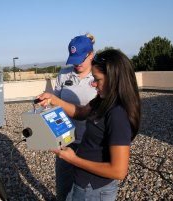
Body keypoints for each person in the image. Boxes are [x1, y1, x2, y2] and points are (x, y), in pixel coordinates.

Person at [37, 49, 141, 200]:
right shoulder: (102, 100)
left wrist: (73, 159)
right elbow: (80, 113)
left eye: (97, 79)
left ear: (114, 78)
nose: (93, 84)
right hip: (83, 182)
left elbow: (119, 171)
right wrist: (54, 99)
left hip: (95, 189)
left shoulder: (118, 114)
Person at [53, 33, 97, 200]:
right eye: (73, 58)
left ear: (91, 54)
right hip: (65, 141)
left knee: (86, 191)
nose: (77, 63)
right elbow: (55, 105)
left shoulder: (99, 77)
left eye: (81, 59)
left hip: (91, 143)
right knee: (63, 188)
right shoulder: (63, 75)